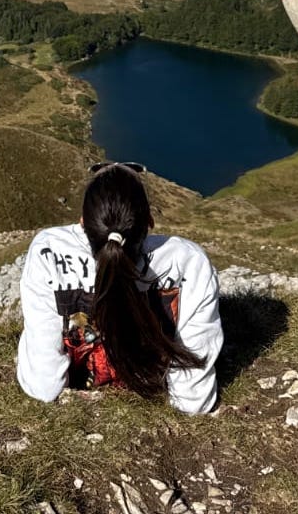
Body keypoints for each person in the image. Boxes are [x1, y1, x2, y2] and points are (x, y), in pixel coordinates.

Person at [16, 162, 223, 415]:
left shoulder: (47, 251)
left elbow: (43, 387)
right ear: (149, 222)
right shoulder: (189, 261)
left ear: (83, 223)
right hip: (151, 381)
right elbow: (194, 402)